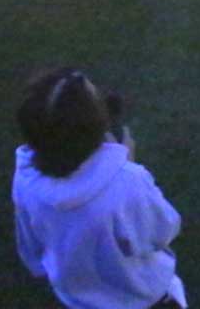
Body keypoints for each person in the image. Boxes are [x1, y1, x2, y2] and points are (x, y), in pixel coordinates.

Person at [13, 68, 188, 309]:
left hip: (78, 300)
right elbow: (163, 229)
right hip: (144, 299)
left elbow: (31, 244)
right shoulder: (127, 181)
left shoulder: (25, 178)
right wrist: (125, 167)